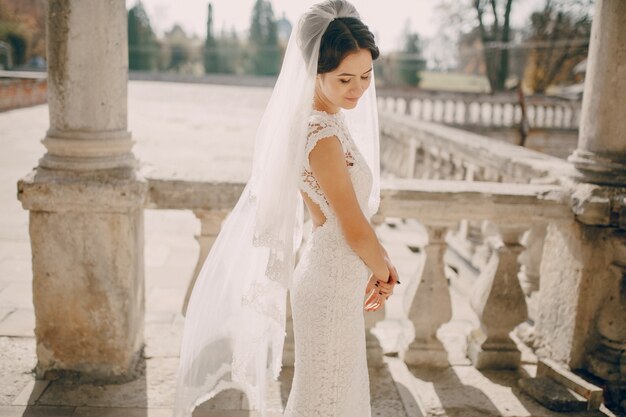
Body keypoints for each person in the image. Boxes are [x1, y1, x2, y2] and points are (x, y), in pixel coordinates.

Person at [172, 1, 399, 417]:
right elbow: (349, 223)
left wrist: (380, 263)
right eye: (345, 78)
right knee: (325, 398)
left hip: (338, 276)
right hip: (330, 280)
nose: (358, 89)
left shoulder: (331, 117)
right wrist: (384, 273)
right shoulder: (321, 133)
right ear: (315, 70)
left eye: (366, 76)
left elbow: (351, 219)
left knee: (335, 394)